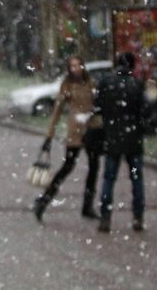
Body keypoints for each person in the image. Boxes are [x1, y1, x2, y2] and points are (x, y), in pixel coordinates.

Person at [33, 56, 102, 221]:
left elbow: (97, 103)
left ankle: (87, 206)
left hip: (91, 128)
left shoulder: (90, 82)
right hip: (75, 130)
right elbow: (57, 110)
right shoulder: (67, 84)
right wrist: (49, 136)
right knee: (68, 166)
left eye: (78, 65)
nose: (76, 69)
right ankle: (44, 201)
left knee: (94, 168)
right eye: (72, 66)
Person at [94, 52, 148, 233]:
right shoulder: (137, 85)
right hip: (133, 142)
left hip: (113, 140)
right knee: (136, 178)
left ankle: (105, 217)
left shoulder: (106, 83)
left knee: (109, 178)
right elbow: (146, 110)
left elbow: (97, 107)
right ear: (132, 66)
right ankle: (138, 216)